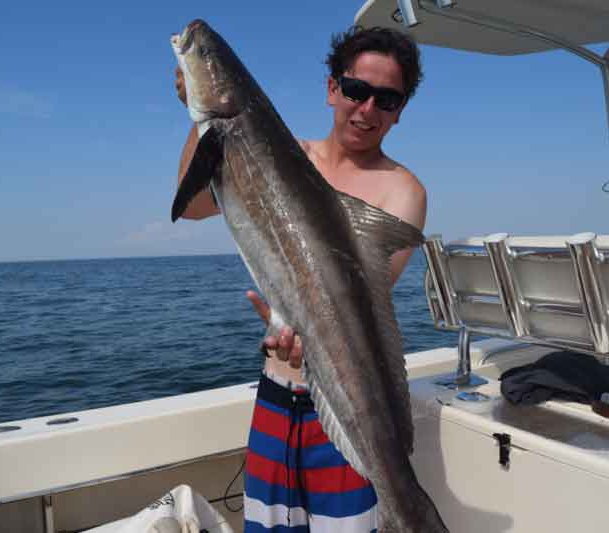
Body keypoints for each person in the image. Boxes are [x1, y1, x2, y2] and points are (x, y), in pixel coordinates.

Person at [174, 25, 425, 533]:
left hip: (350, 413)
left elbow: (367, 302)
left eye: (387, 99)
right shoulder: (283, 152)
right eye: (356, 90)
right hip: (275, 393)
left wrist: (300, 327)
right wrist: (199, 122)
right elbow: (195, 205)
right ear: (333, 88)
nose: (367, 109)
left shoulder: (403, 191)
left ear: (400, 110)